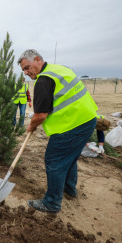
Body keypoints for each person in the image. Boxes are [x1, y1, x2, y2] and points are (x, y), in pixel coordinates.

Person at [18, 49, 98, 213]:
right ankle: (69, 190)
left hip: (71, 126)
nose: (26, 73)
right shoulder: (60, 69)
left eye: (27, 68)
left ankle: (52, 202)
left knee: (54, 161)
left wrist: (31, 126)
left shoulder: (43, 81)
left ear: (38, 59)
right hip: (87, 120)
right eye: (23, 70)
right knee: (70, 158)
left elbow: (40, 115)